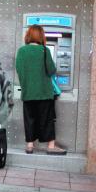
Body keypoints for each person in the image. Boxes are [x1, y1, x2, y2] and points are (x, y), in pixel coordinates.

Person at [15, 25, 67, 155]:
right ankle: (50, 145)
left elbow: (19, 70)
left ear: (28, 35)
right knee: (47, 119)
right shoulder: (45, 51)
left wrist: (27, 84)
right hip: (44, 92)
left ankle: (30, 145)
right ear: (41, 36)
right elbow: (51, 70)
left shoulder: (21, 51)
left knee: (30, 119)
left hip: (28, 93)